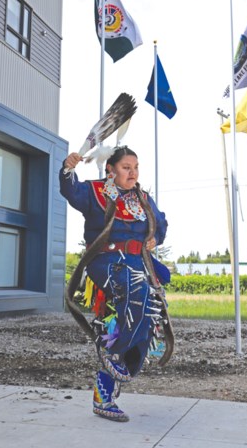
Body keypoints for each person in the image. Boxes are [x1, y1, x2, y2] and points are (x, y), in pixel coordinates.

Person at [60, 145, 171, 422]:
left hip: (138, 264)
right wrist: (68, 169)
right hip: (107, 262)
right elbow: (71, 191)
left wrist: (156, 238)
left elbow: (161, 223)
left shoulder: (143, 198)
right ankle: (114, 355)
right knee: (137, 292)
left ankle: (105, 391)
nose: (132, 172)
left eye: (135, 167)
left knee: (144, 320)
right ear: (110, 169)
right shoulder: (96, 191)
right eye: (126, 167)